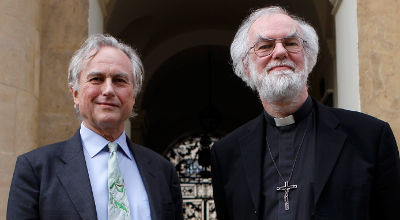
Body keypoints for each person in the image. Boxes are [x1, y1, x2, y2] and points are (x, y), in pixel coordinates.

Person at [211, 6, 400, 220]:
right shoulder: (227, 155)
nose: (280, 52)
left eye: (291, 43)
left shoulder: (369, 137)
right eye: (265, 46)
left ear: (308, 58)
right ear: (246, 66)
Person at [7, 34, 183, 220]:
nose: (108, 90)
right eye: (96, 79)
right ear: (75, 93)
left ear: (133, 97)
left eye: (119, 80)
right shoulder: (37, 170)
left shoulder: (162, 172)